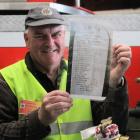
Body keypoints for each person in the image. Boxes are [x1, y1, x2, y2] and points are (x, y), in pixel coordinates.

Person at [0, 7, 131, 140]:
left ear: (64, 36)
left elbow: (114, 129)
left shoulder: (85, 74)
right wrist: (40, 119)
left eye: (56, 34)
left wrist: (113, 85)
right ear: (26, 39)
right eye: (40, 36)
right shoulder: (6, 80)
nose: (50, 43)